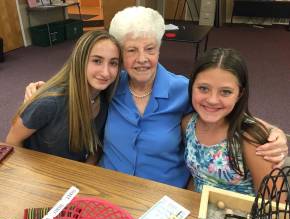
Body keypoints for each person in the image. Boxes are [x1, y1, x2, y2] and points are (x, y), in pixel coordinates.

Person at [23, 7, 288, 188]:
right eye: (131, 50)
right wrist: (39, 90)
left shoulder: (183, 89)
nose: (142, 59)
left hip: (165, 192)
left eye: (150, 48)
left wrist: (274, 132)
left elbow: (222, 108)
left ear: (159, 48)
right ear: (120, 54)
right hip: (107, 184)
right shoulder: (110, 84)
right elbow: (76, 85)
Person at [6, 31, 121, 163]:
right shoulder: (50, 103)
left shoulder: (105, 100)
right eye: (97, 61)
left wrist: (84, 176)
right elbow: (12, 142)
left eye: (113, 63)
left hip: (72, 176)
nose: (106, 72)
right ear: (80, 61)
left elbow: (96, 147)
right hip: (37, 175)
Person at [182, 48, 284, 195]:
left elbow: (274, 205)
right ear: (192, 87)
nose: (212, 100)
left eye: (226, 92)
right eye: (203, 88)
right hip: (197, 209)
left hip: (239, 215)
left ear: (239, 94)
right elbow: (197, 176)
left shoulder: (250, 139)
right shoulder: (188, 124)